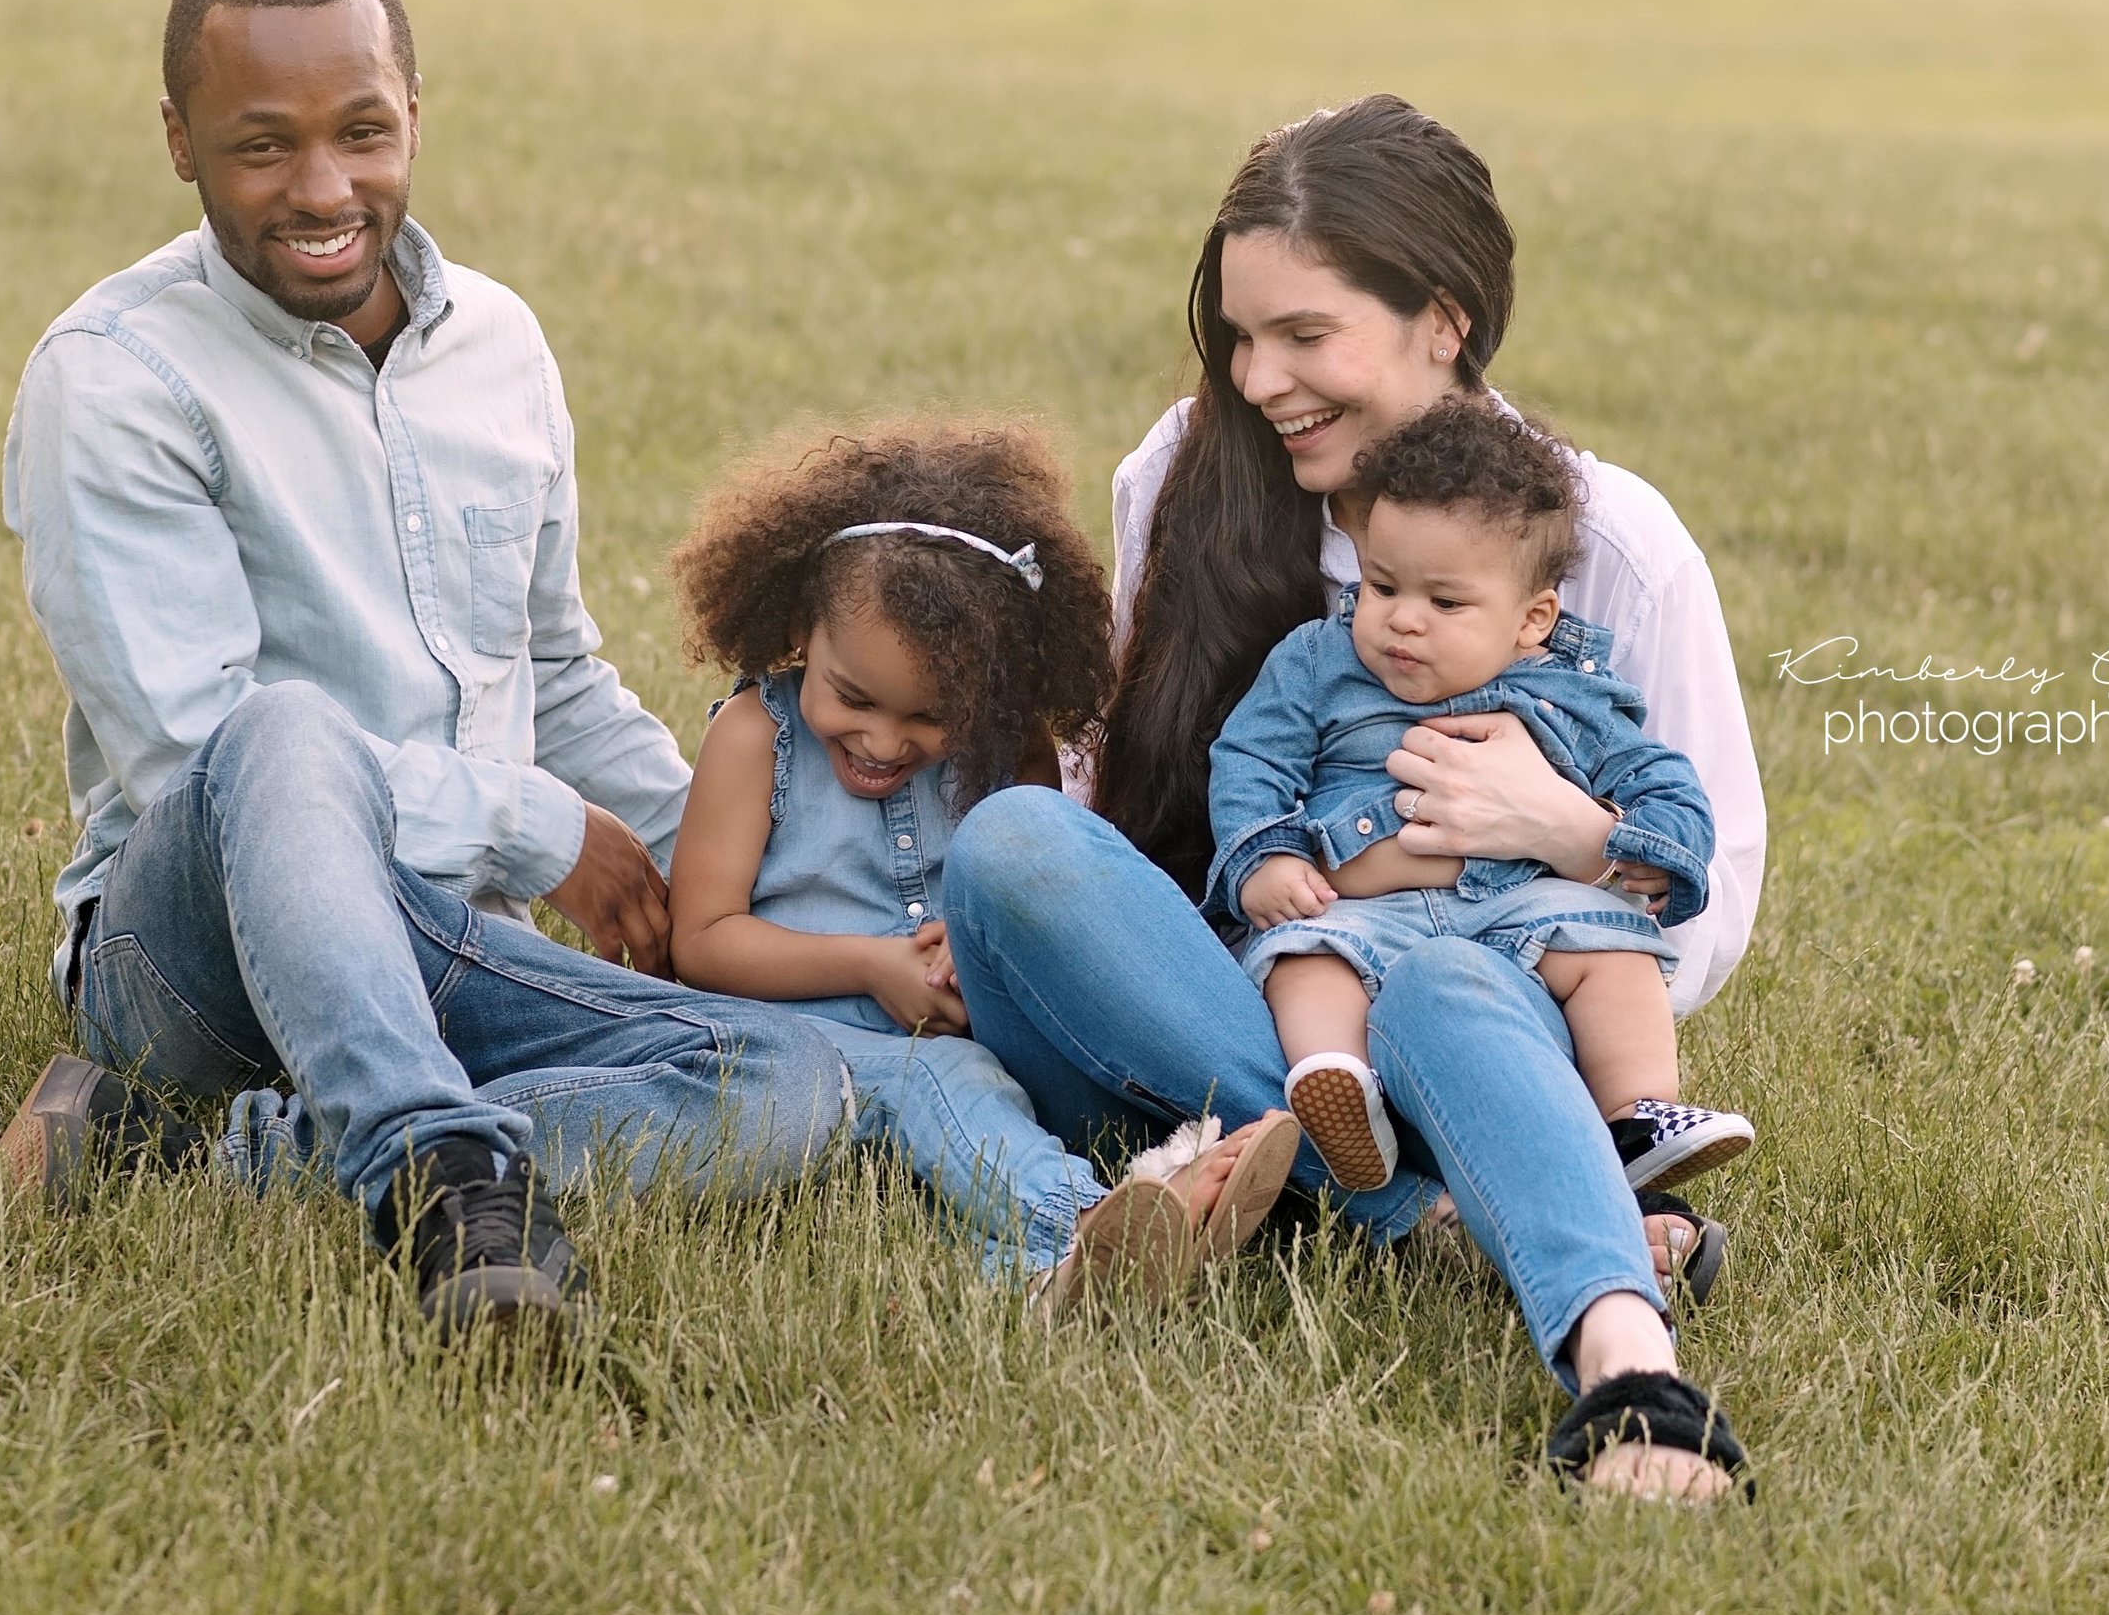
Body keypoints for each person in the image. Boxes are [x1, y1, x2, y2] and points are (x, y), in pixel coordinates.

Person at [0, 0, 850, 1343]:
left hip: (448, 938)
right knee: (283, 727)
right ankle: (446, 1184)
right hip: (195, 961)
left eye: (363, 132)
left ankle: (183, 1158)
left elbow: (559, 675)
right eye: (262, 146)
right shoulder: (116, 379)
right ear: (179, 138)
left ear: (414, 119)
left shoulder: (500, 345)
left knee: (797, 1078)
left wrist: (739, 873)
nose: (323, 187)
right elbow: (192, 757)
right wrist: (537, 827)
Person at [938, 95, 1763, 1501]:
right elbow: (1100, 793)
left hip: (1491, 1027)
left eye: (1304, 336)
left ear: (1442, 320)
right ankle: (1454, 1200)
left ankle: (1556, 1317)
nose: (1259, 379)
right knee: (1012, 844)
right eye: (1242, 336)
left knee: (1447, 988)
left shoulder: (1613, 543)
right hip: (1217, 1005)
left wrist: (1551, 833)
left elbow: (1711, 902)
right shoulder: (1187, 478)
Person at [667, 420, 1297, 1302]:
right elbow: (699, 941)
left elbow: (1009, 914)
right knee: (945, 1079)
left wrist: (970, 952)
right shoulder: (754, 740)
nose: (882, 740)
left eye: (931, 718)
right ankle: (1083, 1223)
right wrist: (870, 965)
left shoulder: (1012, 757)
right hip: (793, 1046)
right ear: (801, 626)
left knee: (982, 1107)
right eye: (852, 696)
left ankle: (1042, 1278)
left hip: (973, 1047)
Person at [1210, 397, 1754, 1205]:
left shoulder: (1573, 694)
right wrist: (1267, 856)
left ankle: (1638, 1117)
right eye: (1383, 584)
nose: (1403, 621)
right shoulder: (1318, 663)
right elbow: (1251, 757)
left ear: (1532, 619)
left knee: (1615, 958)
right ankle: (1339, 1087)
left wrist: (1638, 849)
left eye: (1446, 602)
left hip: (1521, 917)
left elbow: (1666, 787)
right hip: (1362, 910)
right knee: (1305, 956)